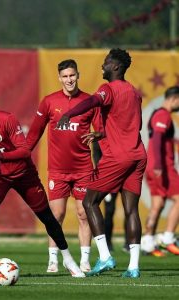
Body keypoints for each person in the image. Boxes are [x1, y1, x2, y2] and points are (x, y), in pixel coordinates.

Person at [0, 91, 85, 279]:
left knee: (46, 216)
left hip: (24, 174)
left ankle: (68, 260)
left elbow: (24, 151)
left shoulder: (7, 119)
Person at [57, 48, 147, 278]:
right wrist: (102, 134)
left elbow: (93, 101)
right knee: (131, 210)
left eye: (106, 63)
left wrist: (70, 113)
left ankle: (105, 256)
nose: (102, 66)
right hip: (137, 154)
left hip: (118, 157)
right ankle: (134, 267)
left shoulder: (108, 89)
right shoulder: (134, 93)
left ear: (116, 67)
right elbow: (130, 126)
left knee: (89, 202)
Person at [26, 59, 101, 273]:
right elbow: (34, 133)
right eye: (65, 76)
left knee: (84, 214)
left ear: (78, 75)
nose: (69, 79)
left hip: (84, 169)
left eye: (72, 75)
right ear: (59, 78)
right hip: (57, 171)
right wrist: (23, 154)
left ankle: (85, 260)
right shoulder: (49, 102)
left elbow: (102, 131)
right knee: (56, 215)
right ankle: (53, 260)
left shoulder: (89, 101)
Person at [141, 86, 179, 256]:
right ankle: (168, 237)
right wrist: (158, 165)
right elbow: (156, 138)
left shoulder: (159, 114)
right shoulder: (163, 115)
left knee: (157, 205)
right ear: (175, 98)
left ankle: (147, 242)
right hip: (162, 167)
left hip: (154, 166)